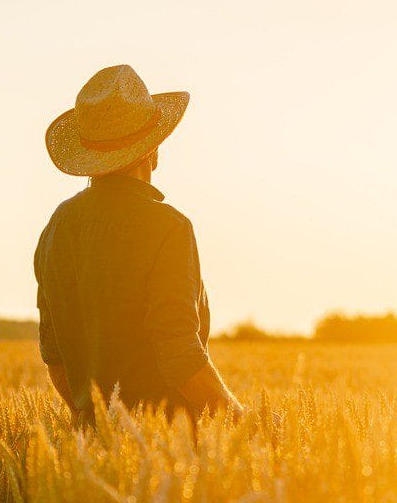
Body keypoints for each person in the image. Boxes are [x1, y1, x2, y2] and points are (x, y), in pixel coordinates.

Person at [35, 64, 243, 424]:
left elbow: (56, 362)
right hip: (168, 454)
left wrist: (100, 427)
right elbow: (180, 356)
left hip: (89, 456)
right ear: (153, 149)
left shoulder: (57, 227)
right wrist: (241, 421)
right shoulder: (169, 227)